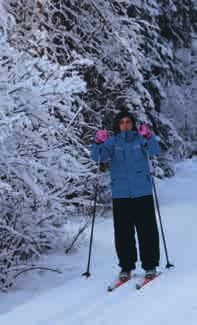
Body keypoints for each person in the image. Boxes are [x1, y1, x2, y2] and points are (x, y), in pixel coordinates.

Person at [91, 110, 161, 281]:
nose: (125, 124)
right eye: (121, 122)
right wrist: (98, 142)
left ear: (132, 123)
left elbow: (154, 149)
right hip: (121, 194)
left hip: (142, 192)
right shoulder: (112, 142)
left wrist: (149, 135)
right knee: (123, 233)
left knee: (147, 231)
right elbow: (98, 157)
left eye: (128, 121)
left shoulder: (140, 139)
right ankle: (126, 267)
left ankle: (150, 265)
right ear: (118, 125)